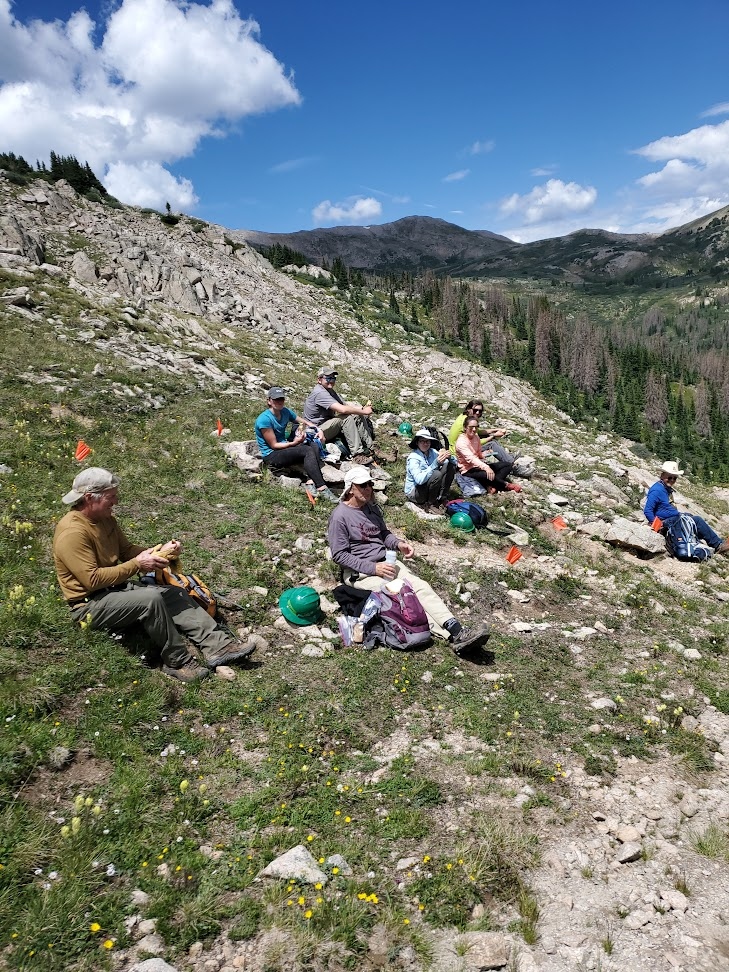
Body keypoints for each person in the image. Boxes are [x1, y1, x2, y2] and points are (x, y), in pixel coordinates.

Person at [53, 468, 258, 683]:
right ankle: (177, 662)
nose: (116, 501)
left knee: (174, 593)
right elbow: (92, 580)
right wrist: (137, 565)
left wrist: (159, 554)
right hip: (88, 605)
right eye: (111, 497)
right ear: (88, 498)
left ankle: (219, 646)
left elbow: (126, 551)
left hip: (115, 590)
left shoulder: (106, 520)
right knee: (150, 599)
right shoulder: (73, 533)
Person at [327, 466, 490, 655]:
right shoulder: (339, 516)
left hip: (385, 563)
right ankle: (453, 636)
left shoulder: (371, 508)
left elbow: (383, 534)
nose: (368, 488)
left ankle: (457, 629)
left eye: (370, 484)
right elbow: (339, 555)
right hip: (361, 573)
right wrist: (373, 568)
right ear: (350, 488)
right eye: (363, 485)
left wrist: (398, 544)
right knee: (404, 596)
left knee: (420, 586)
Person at [254, 387, 337, 502]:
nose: (279, 402)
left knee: (313, 445)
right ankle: (322, 487)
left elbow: (303, 421)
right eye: (276, 399)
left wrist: (318, 429)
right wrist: (294, 443)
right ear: (269, 401)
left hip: (284, 447)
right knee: (307, 450)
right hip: (272, 454)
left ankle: (310, 481)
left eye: (281, 399)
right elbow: (274, 445)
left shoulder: (285, 412)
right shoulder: (264, 419)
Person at [643, 460, 729, 554]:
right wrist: (657, 525)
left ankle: (715, 543)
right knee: (697, 520)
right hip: (665, 522)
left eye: (674, 478)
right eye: (669, 477)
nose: (672, 480)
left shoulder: (664, 488)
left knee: (693, 518)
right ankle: (717, 545)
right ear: (662, 475)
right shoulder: (657, 490)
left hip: (671, 519)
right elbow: (648, 510)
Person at [302, 365, 377, 464]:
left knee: (356, 415)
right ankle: (357, 455)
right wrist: (364, 411)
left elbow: (345, 406)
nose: (331, 380)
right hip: (315, 431)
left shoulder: (330, 391)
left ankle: (372, 448)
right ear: (319, 380)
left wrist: (362, 409)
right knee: (346, 418)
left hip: (326, 426)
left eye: (333, 378)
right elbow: (342, 410)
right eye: (328, 378)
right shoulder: (320, 393)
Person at [455, 417, 520, 493]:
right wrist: (486, 467)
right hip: (468, 469)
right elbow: (471, 459)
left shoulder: (476, 437)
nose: (474, 429)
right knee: (486, 474)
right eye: (471, 427)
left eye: (476, 427)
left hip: (479, 465)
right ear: (465, 427)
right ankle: (506, 485)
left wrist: (484, 455)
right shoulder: (461, 442)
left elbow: (478, 453)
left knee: (507, 465)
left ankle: (491, 485)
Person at [404, 428, 456, 511]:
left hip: (426, 487)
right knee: (436, 474)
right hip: (415, 492)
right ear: (417, 443)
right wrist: (435, 464)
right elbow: (419, 480)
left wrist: (449, 457)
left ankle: (442, 497)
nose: (425, 443)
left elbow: (455, 463)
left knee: (450, 465)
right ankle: (431, 503)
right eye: (422, 441)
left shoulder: (432, 452)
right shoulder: (414, 458)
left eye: (427, 441)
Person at [448, 400, 514, 462]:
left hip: (457, 448)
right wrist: (494, 435)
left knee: (489, 438)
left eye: (480, 411)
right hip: (459, 452)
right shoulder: (466, 422)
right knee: (492, 444)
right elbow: (478, 442)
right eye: (475, 410)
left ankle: (506, 457)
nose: (477, 413)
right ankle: (511, 462)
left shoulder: (464, 417)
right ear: (469, 409)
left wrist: (495, 430)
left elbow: (478, 432)